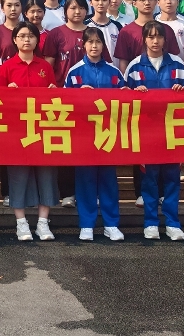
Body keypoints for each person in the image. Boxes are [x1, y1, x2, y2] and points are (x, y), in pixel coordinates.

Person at [125, 22, 184, 241]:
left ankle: (173, 223)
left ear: (165, 39)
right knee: (149, 179)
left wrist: (181, 92)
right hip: (146, 132)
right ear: (144, 39)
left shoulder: (178, 64)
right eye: (151, 37)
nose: (155, 41)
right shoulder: (135, 66)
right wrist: (135, 93)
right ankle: (151, 222)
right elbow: (124, 100)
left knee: (172, 178)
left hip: (172, 131)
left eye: (159, 37)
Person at [0, 22, 59, 242]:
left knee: (46, 174)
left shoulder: (45, 66)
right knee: (18, 175)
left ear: (37, 40)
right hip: (18, 131)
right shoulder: (7, 67)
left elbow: (55, 98)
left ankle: (43, 223)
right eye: (22, 36)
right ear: (14, 40)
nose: (26, 40)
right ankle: (21, 223)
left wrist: (53, 92)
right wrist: (7, 93)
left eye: (31, 36)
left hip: (43, 128)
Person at [63, 27, 125, 242]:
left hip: (108, 135)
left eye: (98, 42)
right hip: (84, 136)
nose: (94, 46)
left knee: (108, 181)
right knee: (86, 181)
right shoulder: (75, 72)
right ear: (83, 45)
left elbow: (126, 102)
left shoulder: (114, 72)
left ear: (103, 45)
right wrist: (79, 97)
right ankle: (87, 224)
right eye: (90, 42)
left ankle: (111, 224)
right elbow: (64, 105)